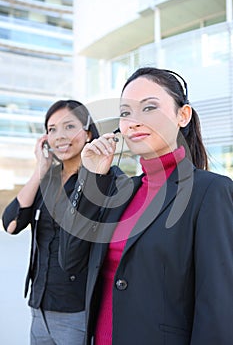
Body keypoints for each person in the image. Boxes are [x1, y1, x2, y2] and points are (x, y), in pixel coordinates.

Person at [59, 68, 233, 345]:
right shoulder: (120, 192)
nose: (134, 121)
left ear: (182, 116)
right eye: (126, 112)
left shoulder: (211, 192)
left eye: (149, 107)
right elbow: (69, 260)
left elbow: (218, 305)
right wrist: (92, 178)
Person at [2, 99, 99, 345]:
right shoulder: (49, 180)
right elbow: (11, 223)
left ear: (87, 133)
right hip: (39, 304)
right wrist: (41, 168)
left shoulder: (100, 180)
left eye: (69, 126)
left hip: (76, 308)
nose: (60, 136)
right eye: (52, 129)